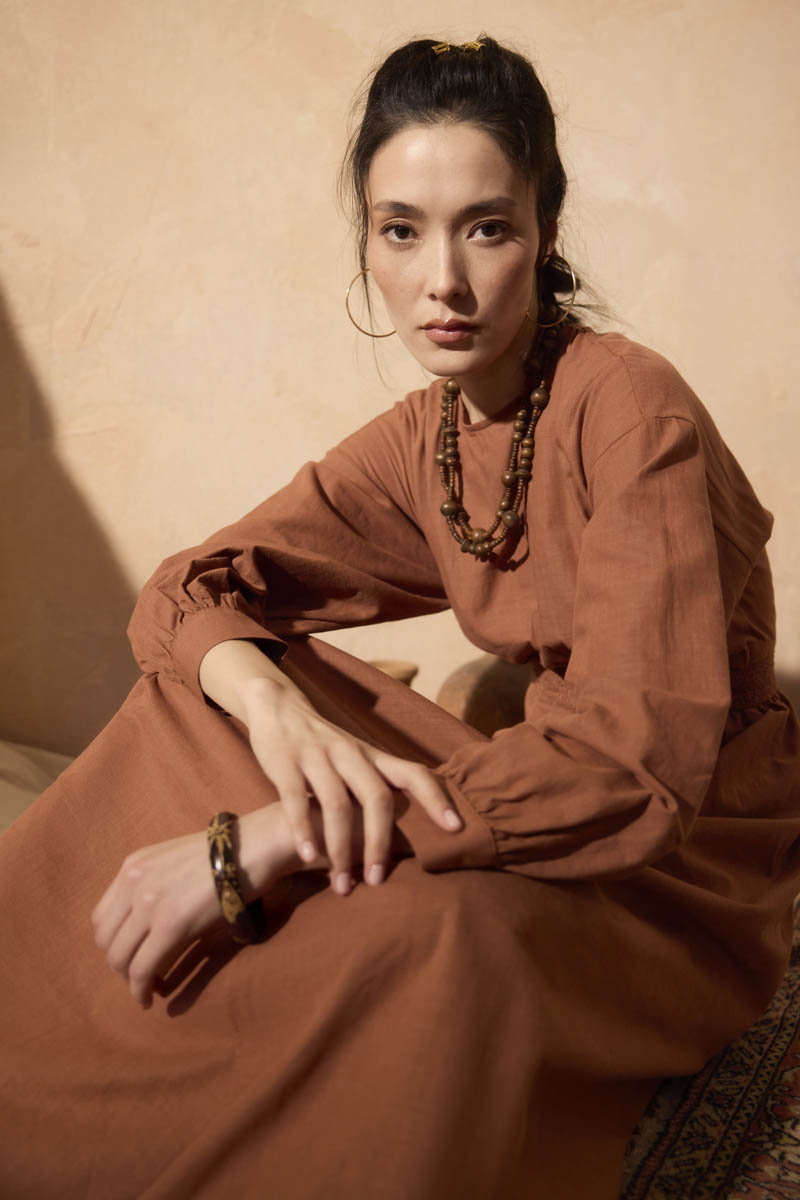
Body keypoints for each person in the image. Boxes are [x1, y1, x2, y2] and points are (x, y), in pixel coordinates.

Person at [2, 33, 798, 1200]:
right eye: (400, 230)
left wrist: (264, 841)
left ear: (545, 230)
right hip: (544, 780)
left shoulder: (632, 410)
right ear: (367, 244)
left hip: (677, 867)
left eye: (486, 227)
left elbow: (632, 771)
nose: (443, 282)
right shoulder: (428, 437)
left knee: (426, 936)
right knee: (198, 694)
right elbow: (190, 589)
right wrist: (278, 716)